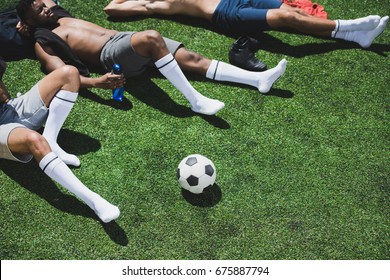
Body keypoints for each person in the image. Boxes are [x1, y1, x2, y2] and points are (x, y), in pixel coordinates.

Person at [16, 0, 287, 116]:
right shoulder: (43, 41)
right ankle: (195, 101)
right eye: (39, 11)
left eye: (44, 5)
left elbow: (44, 1)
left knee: (191, 58)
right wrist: (97, 82)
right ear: (28, 21)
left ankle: (258, 79)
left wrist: (31, 16)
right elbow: (61, 74)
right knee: (151, 37)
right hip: (110, 55)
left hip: (124, 38)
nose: (46, 10)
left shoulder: (58, 14)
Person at [0, 57, 120, 223]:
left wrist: (94, 82)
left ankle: (51, 142)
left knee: (69, 73)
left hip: (10, 107)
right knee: (35, 140)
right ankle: (94, 200)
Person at [103, 0, 388, 49]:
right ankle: (348, 26)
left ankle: (355, 37)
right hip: (224, 13)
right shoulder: (155, 3)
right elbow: (111, 8)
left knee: (290, 10)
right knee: (286, 19)